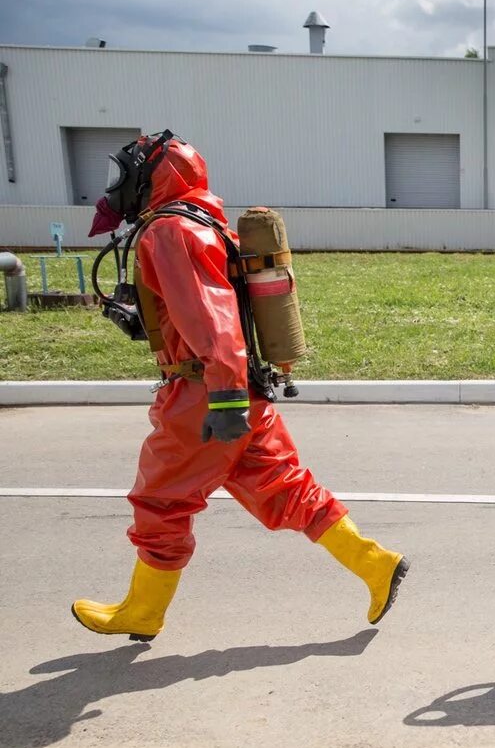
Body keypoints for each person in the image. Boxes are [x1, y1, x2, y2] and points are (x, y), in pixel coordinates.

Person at [75, 131, 408, 641]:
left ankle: (143, 611)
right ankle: (376, 564)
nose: (118, 187)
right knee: (290, 490)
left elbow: (211, 318)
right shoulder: (206, 224)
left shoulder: (171, 231)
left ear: (152, 177)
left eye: (124, 176)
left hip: (205, 392)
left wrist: (225, 400)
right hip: (241, 387)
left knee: (161, 501)